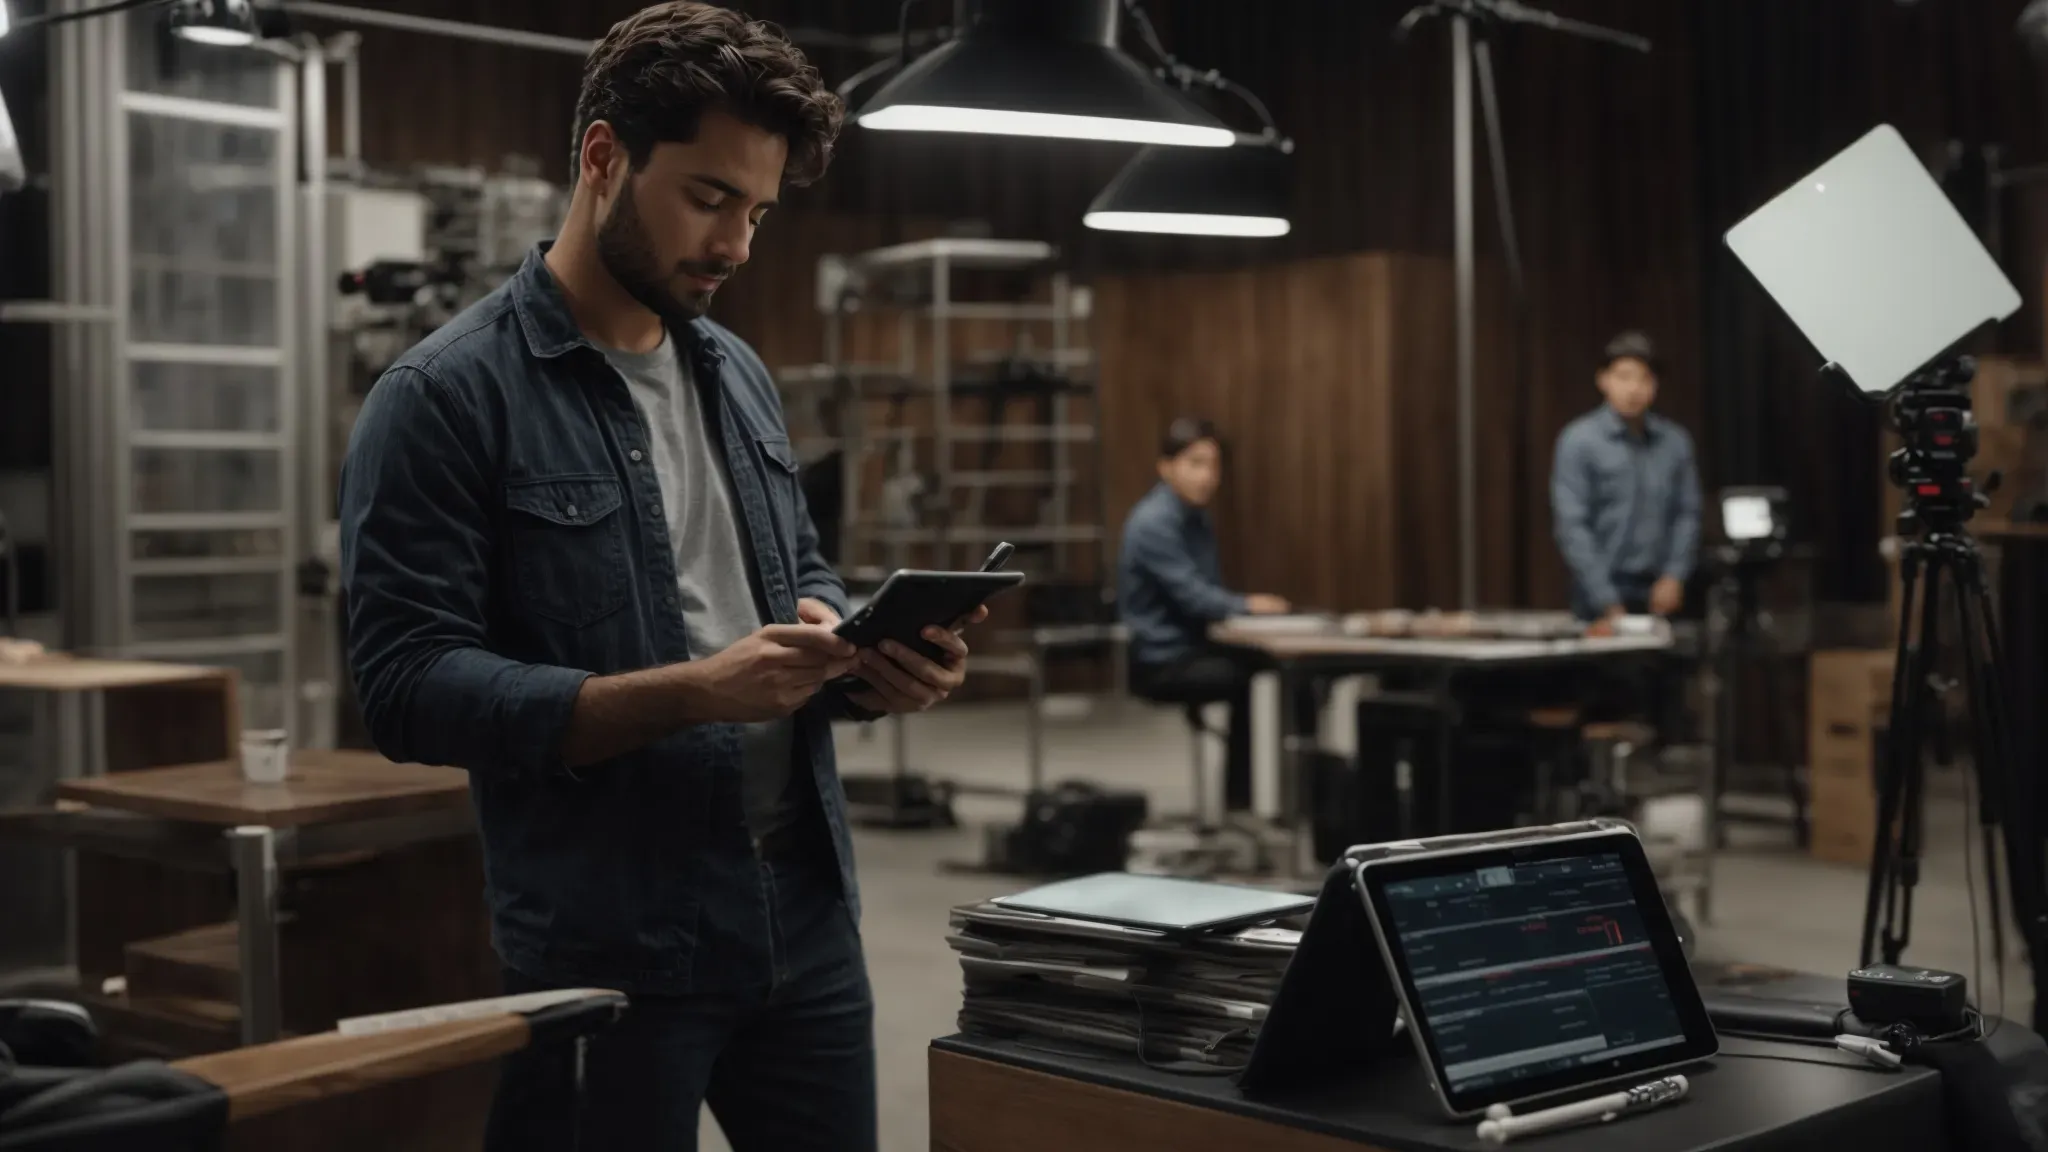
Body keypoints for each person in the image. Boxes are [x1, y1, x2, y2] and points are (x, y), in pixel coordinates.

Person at [338, 7, 985, 1149]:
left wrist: (856, 648)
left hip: (805, 912)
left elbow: (788, 575)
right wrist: (690, 691)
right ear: (601, 158)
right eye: (706, 197)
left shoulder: (735, 372)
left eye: (758, 211)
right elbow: (404, 686)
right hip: (609, 938)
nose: (736, 243)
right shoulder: (443, 398)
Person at [1118, 417, 1292, 813]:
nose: (1208, 477)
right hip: (1160, 661)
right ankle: (1244, 803)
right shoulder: (1154, 522)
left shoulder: (1196, 518)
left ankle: (1278, 797)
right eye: (1196, 463)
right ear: (1166, 466)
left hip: (1194, 647)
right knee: (1255, 682)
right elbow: (1195, 597)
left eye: (1213, 466)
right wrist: (1248, 606)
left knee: (1280, 672)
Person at [1551, 331, 1703, 630]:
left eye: (1644, 378)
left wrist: (1675, 575)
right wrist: (1605, 598)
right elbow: (1572, 525)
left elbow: (1688, 513)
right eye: (1623, 376)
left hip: (1660, 589)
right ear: (1603, 380)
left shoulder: (1674, 442)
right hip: (1599, 589)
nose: (1633, 388)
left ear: (1655, 385)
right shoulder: (1580, 441)